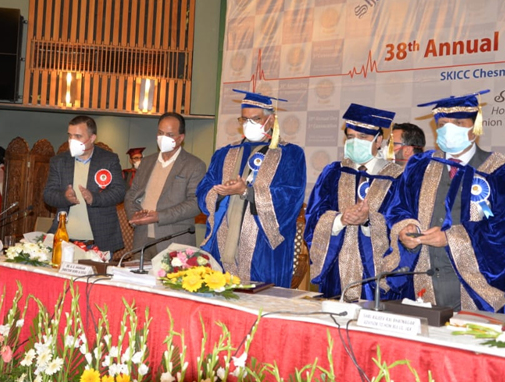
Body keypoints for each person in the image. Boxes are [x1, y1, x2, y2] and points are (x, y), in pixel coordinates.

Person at [384, 91, 505, 313]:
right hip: (421, 279)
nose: (449, 129)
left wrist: (450, 239)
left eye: (459, 122)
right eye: (443, 123)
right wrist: (405, 228)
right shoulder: (419, 166)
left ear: (475, 127)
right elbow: (398, 207)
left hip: (474, 287)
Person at [196, 90, 306, 287]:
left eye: (256, 119)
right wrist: (220, 191)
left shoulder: (290, 154)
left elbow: (291, 198)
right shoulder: (224, 153)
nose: (249, 124)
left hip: (263, 251)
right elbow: (203, 190)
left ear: (271, 120)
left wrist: (247, 192)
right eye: (244, 119)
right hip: (223, 242)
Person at [305, 104, 410, 300]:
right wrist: (339, 220)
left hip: (374, 275)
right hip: (335, 269)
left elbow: (401, 224)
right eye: (351, 137)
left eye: (363, 138)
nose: (355, 142)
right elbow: (313, 216)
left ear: (379, 140)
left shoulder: (397, 177)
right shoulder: (333, 172)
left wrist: (369, 221)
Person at [125, 113, 206, 259]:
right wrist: (135, 216)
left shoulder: (194, 165)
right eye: (160, 133)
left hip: (174, 241)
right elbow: (131, 194)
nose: (163, 138)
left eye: (169, 134)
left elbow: (195, 203)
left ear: (181, 138)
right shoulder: (147, 162)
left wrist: (159, 217)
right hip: (142, 240)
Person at [43, 115, 126, 253]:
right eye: (70, 136)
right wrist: (65, 197)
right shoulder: (59, 161)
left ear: (92, 138)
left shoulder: (109, 159)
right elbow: (48, 195)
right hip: (65, 241)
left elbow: (119, 192)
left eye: (78, 136)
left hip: (99, 242)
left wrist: (95, 198)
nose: (72, 141)